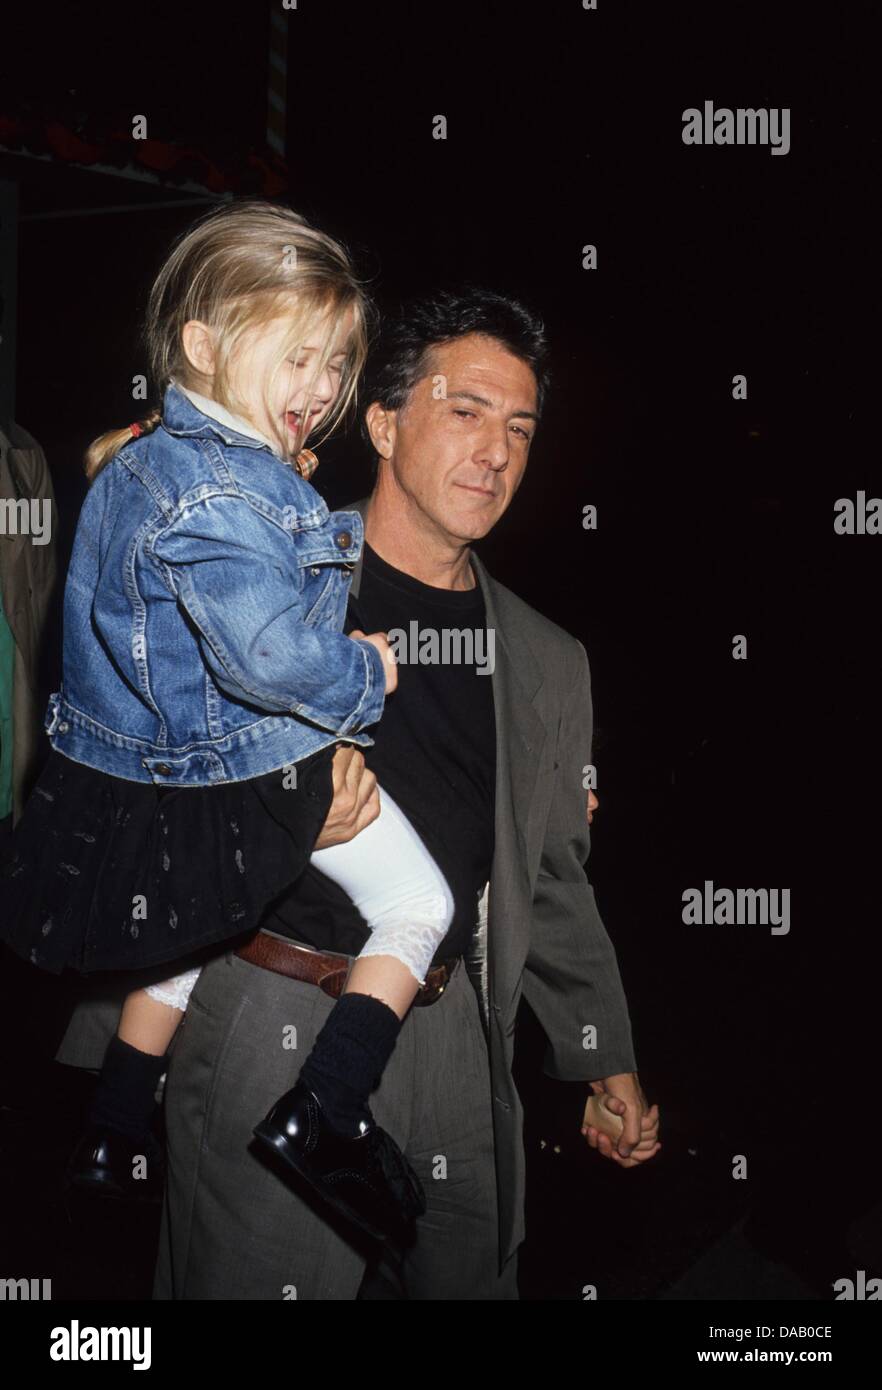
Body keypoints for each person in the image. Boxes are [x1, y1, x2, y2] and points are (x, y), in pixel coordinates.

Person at [56, 288, 661, 1300]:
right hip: (266, 1010)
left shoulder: (549, 662)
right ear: (383, 422)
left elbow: (550, 878)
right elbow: (124, 739)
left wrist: (606, 1059)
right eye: (465, 411)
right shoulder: (260, 574)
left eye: (520, 427)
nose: (497, 451)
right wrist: (272, 811)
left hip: (456, 1027)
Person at [0, 200, 485, 1244]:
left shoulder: (153, 456)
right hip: (237, 769)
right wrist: (364, 673)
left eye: (334, 362)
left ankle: (113, 1123)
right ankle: (328, 1106)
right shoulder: (229, 492)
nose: (319, 390)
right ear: (203, 345)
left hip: (134, 781)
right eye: (297, 358)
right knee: (418, 903)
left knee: (183, 925)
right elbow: (267, 657)